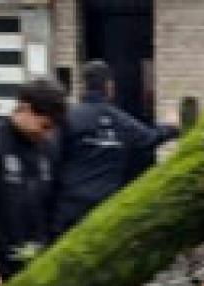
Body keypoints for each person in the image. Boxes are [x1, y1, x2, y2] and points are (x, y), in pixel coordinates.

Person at [0, 78, 68, 286]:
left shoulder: (46, 149)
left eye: (52, 129)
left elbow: (54, 203)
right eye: (44, 125)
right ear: (25, 108)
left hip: (38, 261)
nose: (46, 133)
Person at [52, 60, 180, 236]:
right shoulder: (119, 120)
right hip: (105, 208)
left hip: (70, 208)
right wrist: (172, 127)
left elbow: (52, 156)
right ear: (109, 86)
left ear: (83, 86)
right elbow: (149, 138)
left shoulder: (68, 118)